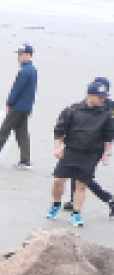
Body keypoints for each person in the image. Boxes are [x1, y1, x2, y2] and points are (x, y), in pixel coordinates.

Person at [47, 78, 114, 227]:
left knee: (81, 185)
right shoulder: (72, 110)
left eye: (104, 97)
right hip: (70, 151)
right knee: (59, 180)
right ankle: (56, 204)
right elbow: (59, 131)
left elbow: (108, 136)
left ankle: (76, 213)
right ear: (90, 95)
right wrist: (57, 148)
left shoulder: (106, 115)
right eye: (100, 97)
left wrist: (107, 154)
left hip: (90, 154)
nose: (104, 100)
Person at [0, 46, 39, 168]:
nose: (19, 56)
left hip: (18, 107)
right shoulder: (32, 70)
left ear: (29, 55)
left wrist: (9, 103)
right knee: (21, 133)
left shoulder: (25, 71)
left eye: (21, 54)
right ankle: (25, 160)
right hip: (26, 107)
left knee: (4, 130)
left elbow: (17, 90)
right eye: (19, 54)